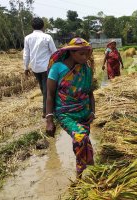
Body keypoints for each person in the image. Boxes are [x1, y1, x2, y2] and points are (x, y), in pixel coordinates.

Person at [45, 37, 95, 177]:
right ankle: (80, 174)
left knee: (84, 141)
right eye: (81, 54)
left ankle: (91, 170)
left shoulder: (86, 69)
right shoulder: (57, 68)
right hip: (65, 113)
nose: (85, 57)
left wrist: (93, 112)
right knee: (81, 138)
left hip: (84, 112)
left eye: (87, 54)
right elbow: (49, 94)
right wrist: (49, 120)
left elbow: (90, 93)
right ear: (71, 53)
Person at [23, 17, 57, 118]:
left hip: (35, 68)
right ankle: (46, 112)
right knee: (47, 89)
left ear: (32, 26)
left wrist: (25, 67)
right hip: (47, 68)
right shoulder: (47, 37)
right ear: (43, 26)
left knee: (43, 88)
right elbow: (54, 52)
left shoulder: (28, 38)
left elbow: (26, 54)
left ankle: (48, 109)